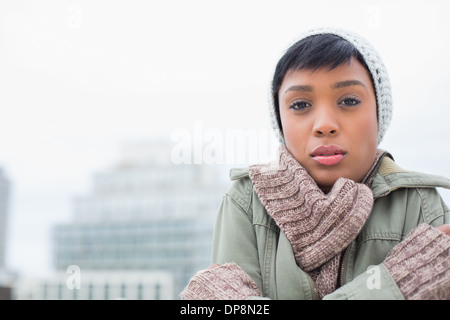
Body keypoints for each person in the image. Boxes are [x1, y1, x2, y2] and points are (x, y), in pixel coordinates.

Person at [180, 27, 450, 300]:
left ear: (379, 113)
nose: (324, 125)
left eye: (349, 100)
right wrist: (397, 286)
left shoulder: (418, 201)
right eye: (300, 105)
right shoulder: (246, 203)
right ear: (280, 121)